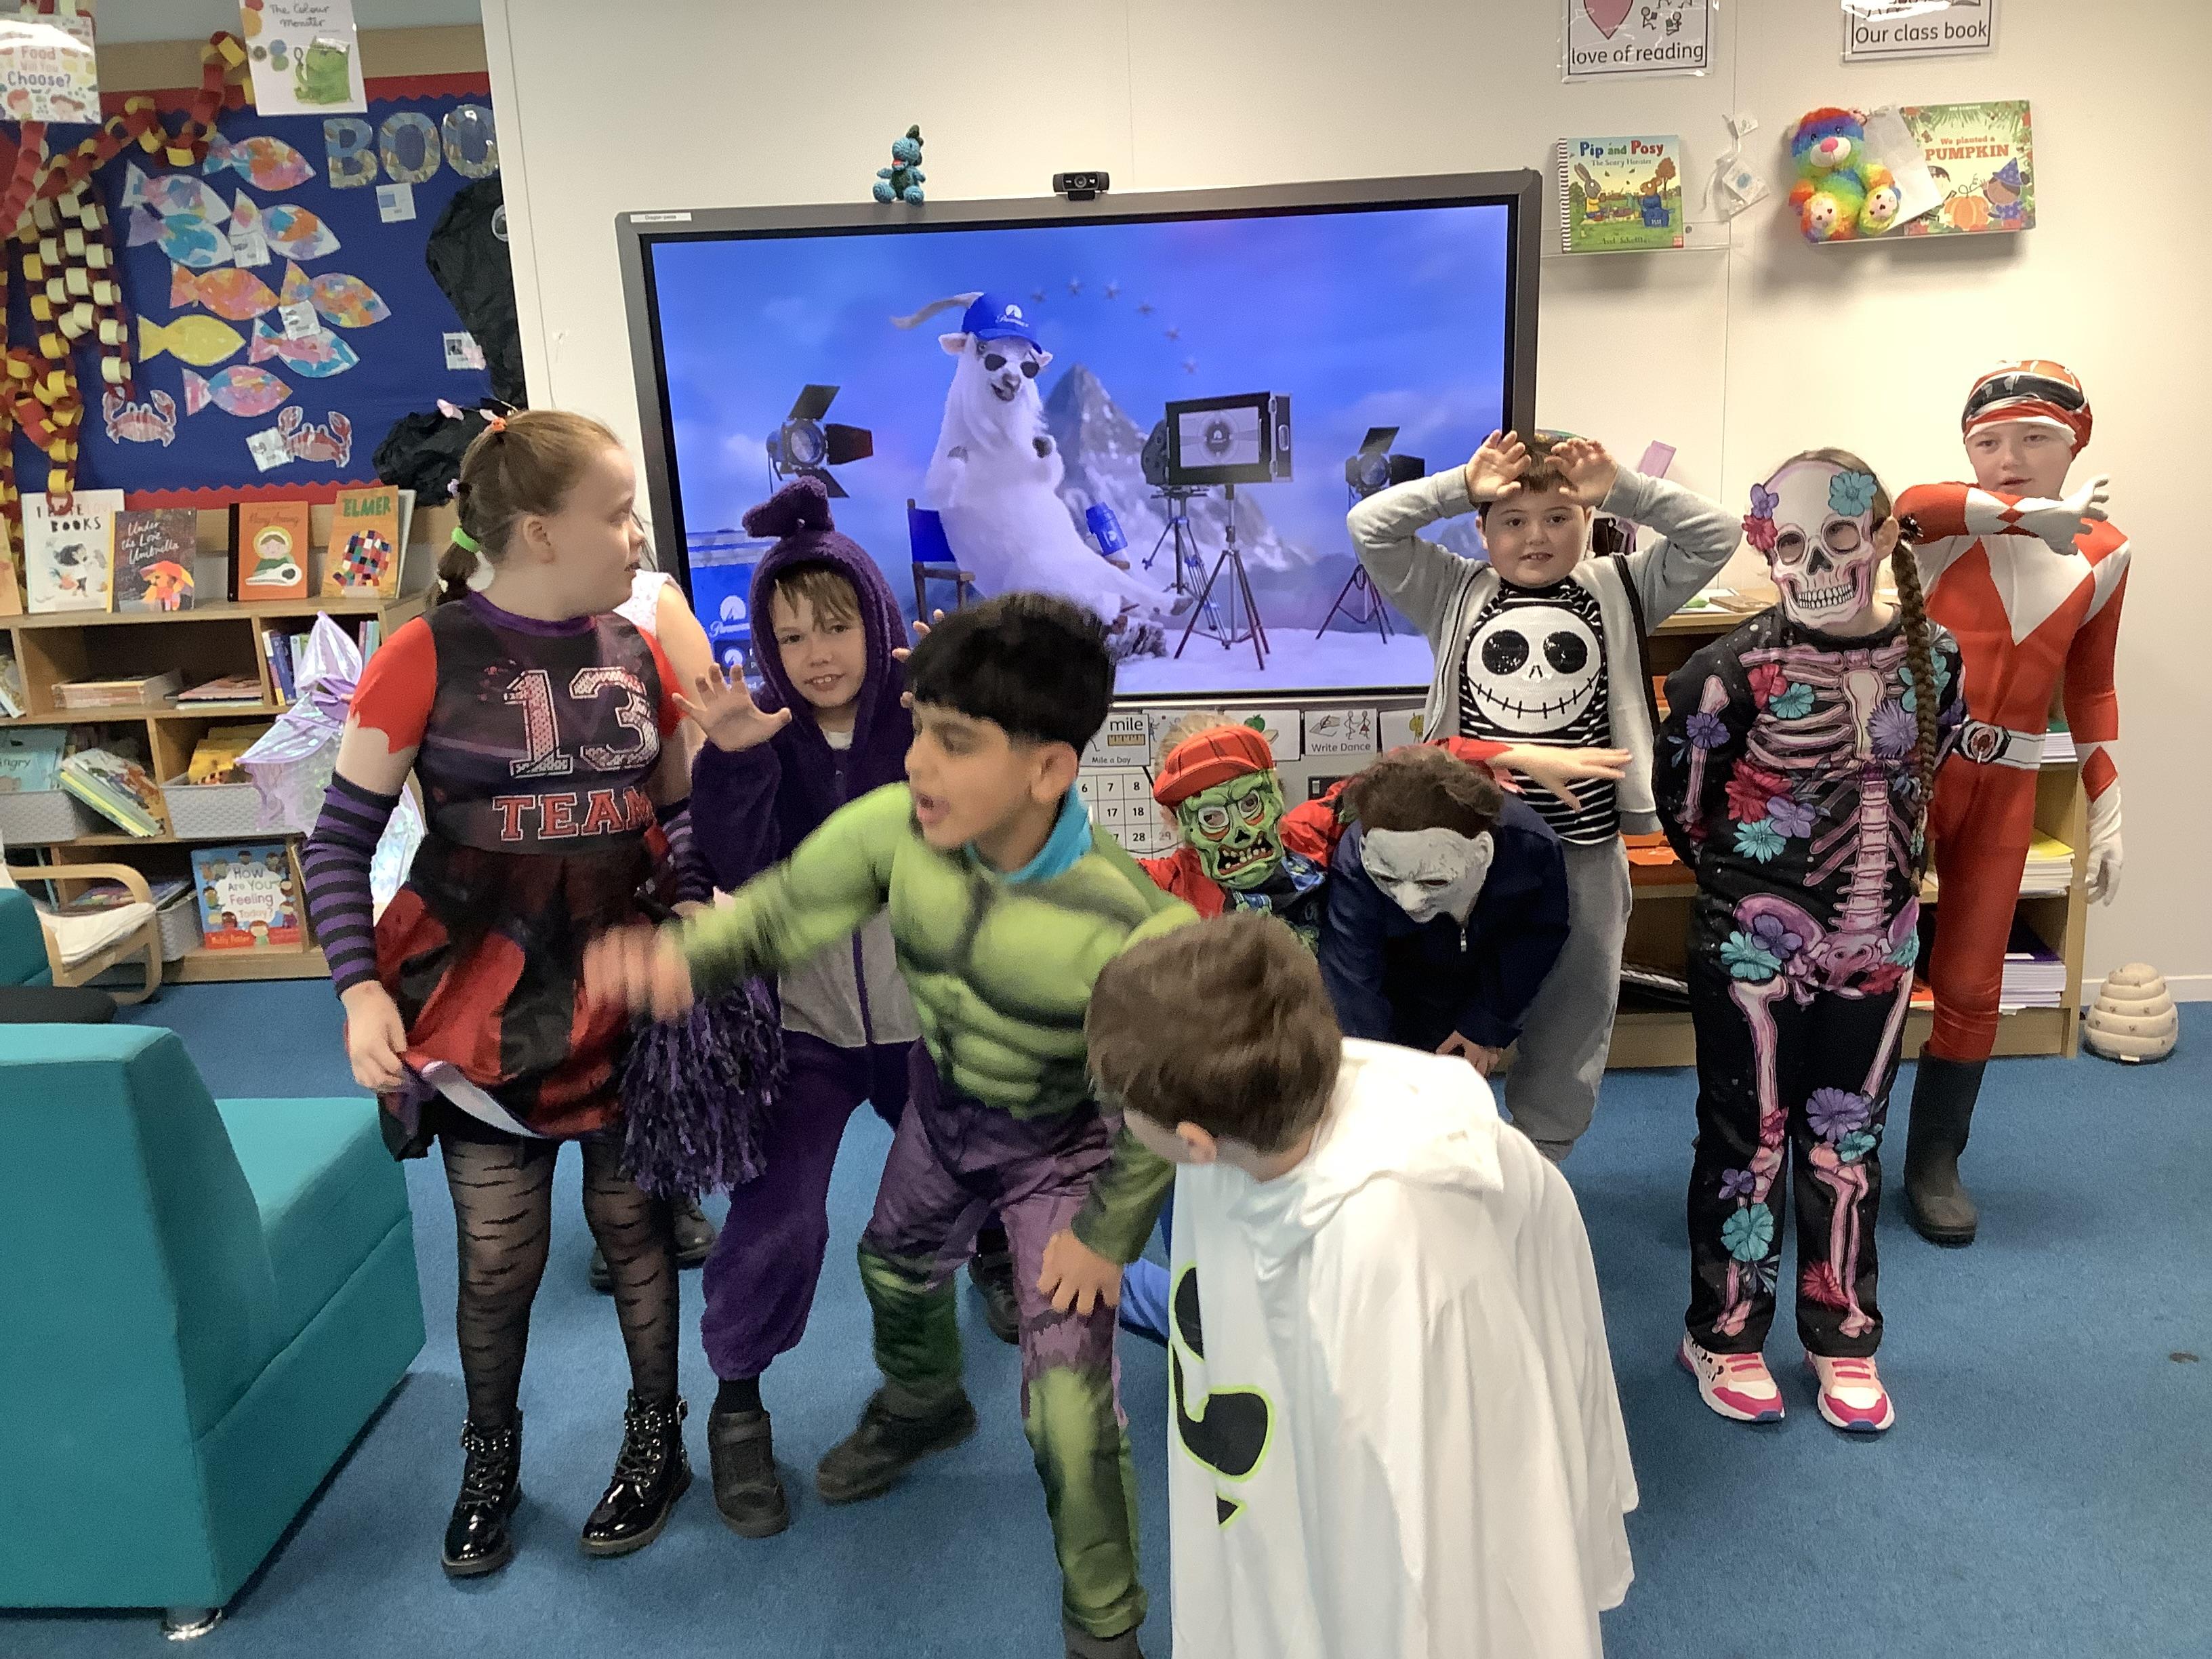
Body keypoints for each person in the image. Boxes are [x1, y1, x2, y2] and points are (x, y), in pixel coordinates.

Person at [588, 593, 1191, 1659]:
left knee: (1067, 1412)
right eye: (920, 729)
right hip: (942, 1110)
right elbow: (784, 911)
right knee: (894, 1263)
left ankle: (1105, 1629)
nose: (916, 763)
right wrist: (685, 961)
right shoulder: (895, 831)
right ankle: (923, 1403)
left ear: (1050, 770)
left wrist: (1106, 1238)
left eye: (955, 743)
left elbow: (1159, 1105)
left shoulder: (1135, 928)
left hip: (1064, 1152)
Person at [302, 410, 714, 1576]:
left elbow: (679, 812)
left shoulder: (638, 647)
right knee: (498, 1258)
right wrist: (359, 992)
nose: (637, 537)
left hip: (623, 988)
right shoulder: (421, 654)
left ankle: (657, 1440)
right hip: (481, 1001)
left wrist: (696, 902)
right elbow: (337, 843)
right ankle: (490, 1458)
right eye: (617, 514)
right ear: (539, 530)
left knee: (636, 1229)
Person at [1086, 913, 1637, 1658]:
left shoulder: (1392, 1254)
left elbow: (1407, 1542)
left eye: (1126, 1112)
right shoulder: (1264, 1106)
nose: (1122, 1124)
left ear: (1194, 1142)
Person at [674, 478, 1018, 1540]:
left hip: (932, 1023)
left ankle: (990, 1264)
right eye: (790, 635)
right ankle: (738, 1404)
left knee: (964, 1176)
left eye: (835, 626)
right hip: (809, 1031)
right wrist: (736, 760)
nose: (816, 654)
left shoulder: (926, 715)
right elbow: (739, 864)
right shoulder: (761, 735)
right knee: (774, 1220)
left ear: (875, 618)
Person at [1656, 449, 1967, 1432]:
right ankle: (1724, 1331)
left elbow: (1926, 779)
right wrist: (1764, 891)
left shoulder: (1937, 656)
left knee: (1850, 1139)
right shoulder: (1725, 671)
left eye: (1838, 535)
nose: (1816, 561)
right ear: (1764, 546)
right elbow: (1687, 811)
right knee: (1747, 1138)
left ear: (1881, 535)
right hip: (1757, 939)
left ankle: (1844, 1333)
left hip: (1881, 938)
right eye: (1789, 542)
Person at [1350, 430, 1740, 1160]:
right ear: (1482, 529)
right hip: (1471, 856)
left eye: (1559, 517)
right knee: (1444, 1006)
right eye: (1513, 519)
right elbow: (1369, 525)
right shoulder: (1452, 589)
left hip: (1584, 853)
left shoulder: (1621, 587)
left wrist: (1622, 487)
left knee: (1573, 1015)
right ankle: (1441, 1161)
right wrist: (1462, 484)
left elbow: (1717, 533)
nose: (1536, 537)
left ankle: (1542, 1163)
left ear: (1589, 519)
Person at [1893, 361, 2125, 1246]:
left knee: (1970, 980)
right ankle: (1838, 1141)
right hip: (1918, 774)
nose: (2010, 459)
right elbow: (1911, 507)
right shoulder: (1950, 528)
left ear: (2076, 443)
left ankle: (1935, 1161)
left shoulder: (2108, 553)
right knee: (1866, 966)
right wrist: (2029, 518)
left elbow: (2091, 687)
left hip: (2012, 781)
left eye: (2034, 439)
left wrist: (2108, 803)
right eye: (1988, 442)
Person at [573, 547, 720, 1290]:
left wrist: (694, 878)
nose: (627, 538)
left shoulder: (651, 606)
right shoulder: (468, 628)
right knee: (576, 1039)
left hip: (642, 862)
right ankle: (620, 1195)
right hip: (540, 887)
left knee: (650, 1037)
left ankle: (671, 1182)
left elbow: (698, 728)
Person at [1318, 743, 1572, 1077]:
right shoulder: (1356, 865)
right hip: (1400, 980)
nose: (1408, 901)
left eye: (1433, 881)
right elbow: (1353, 981)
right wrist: (1369, 1070)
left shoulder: (1531, 849)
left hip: (1486, 961)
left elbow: (1535, 939)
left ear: (1482, 853)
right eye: (1388, 878)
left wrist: (1485, 1025)